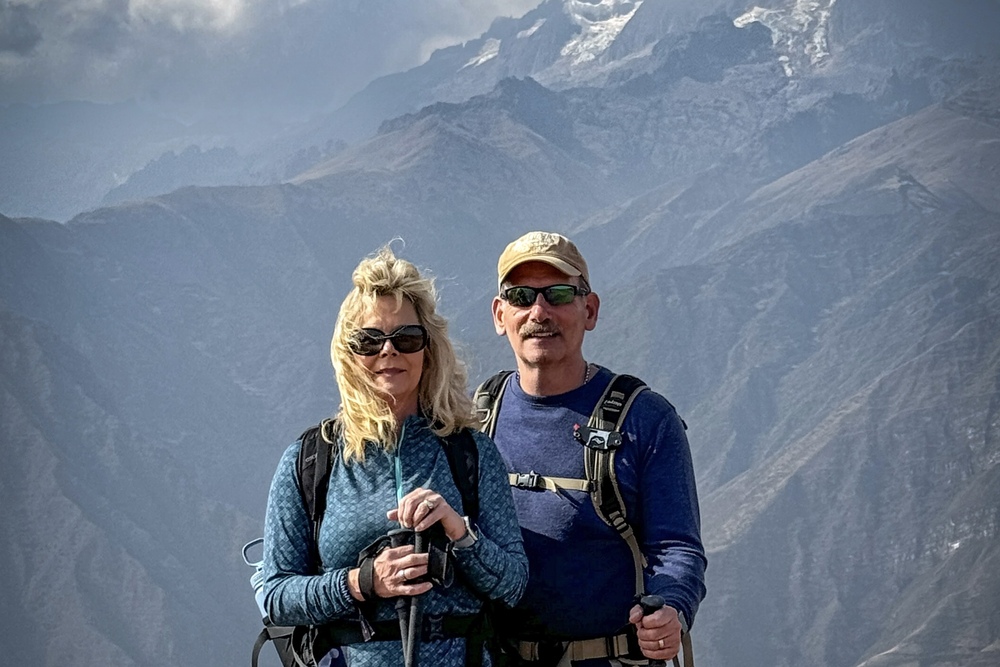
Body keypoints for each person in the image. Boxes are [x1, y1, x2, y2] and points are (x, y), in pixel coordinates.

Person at [262, 245, 528, 667]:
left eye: (406, 338)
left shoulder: (471, 453)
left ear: (428, 349)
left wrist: (460, 533)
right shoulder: (311, 461)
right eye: (370, 341)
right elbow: (275, 596)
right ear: (349, 355)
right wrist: (363, 582)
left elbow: (514, 583)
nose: (389, 352)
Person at [484, 231, 707, 666]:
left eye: (559, 294)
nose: (539, 311)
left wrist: (671, 608)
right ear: (500, 314)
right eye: (522, 295)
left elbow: (677, 545)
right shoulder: (475, 419)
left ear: (590, 310)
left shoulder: (645, 420)